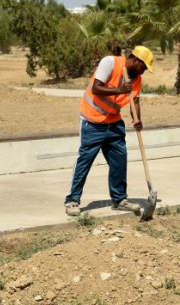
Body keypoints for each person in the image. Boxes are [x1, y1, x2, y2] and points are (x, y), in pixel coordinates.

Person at [64, 46, 154, 216]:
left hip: (113, 123)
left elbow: (135, 101)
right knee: (84, 161)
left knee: (119, 160)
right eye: (143, 67)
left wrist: (137, 119)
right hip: (92, 122)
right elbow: (96, 88)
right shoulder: (110, 63)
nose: (143, 72)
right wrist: (119, 90)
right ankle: (72, 201)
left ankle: (119, 200)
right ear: (135, 61)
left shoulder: (136, 79)